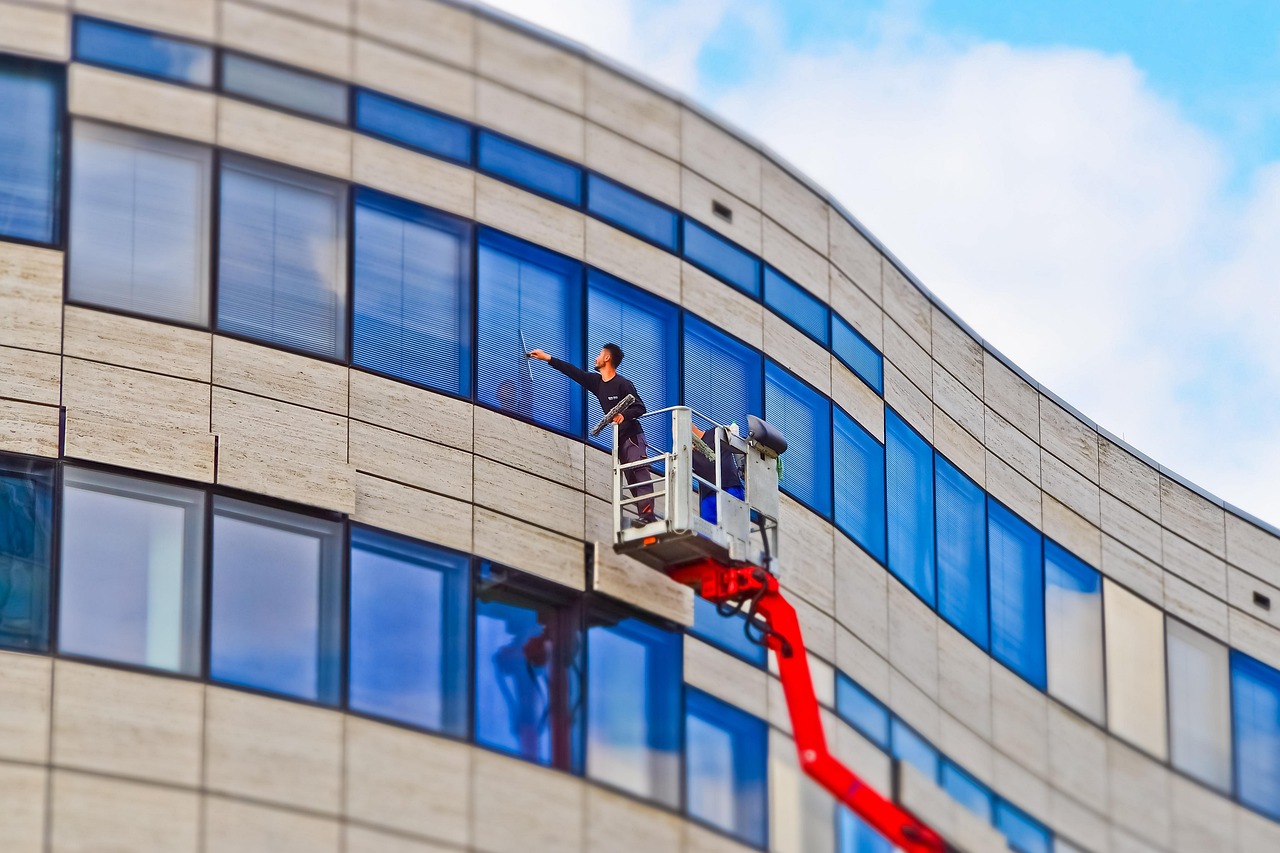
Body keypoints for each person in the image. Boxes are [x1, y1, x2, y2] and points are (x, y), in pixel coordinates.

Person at [527, 344, 656, 524]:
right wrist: (547, 358)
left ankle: (648, 516)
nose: (596, 358)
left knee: (638, 473)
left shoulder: (623, 383)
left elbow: (640, 407)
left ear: (607, 358)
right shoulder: (597, 383)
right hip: (619, 441)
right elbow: (574, 372)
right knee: (631, 479)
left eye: (599, 354)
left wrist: (623, 415)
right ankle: (646, 516)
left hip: (633, 437)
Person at [691, 423, 744, 524]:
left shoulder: (716, 433)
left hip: (729, 487)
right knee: (707, 534)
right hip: (708, 496)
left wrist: (731, 431)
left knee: (733, 528)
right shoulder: (689, 452)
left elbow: (735, 441)